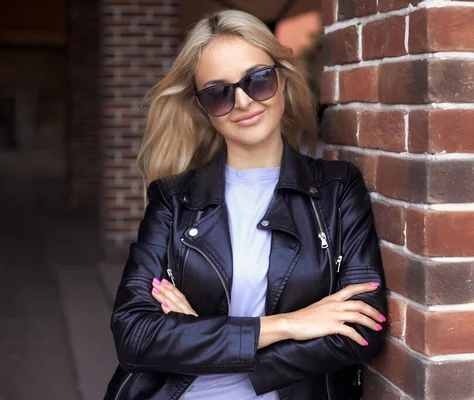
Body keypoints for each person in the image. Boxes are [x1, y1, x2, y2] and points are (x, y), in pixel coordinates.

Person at [104, 9, 386, 400]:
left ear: (282, 80)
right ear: (204, 108)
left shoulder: (336, 190)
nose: (241, 101)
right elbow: (135, 336)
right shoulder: (173, 201)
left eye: (258, 80)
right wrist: (288, 324)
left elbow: (362, 328)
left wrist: (203, 336)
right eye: (218, 93)